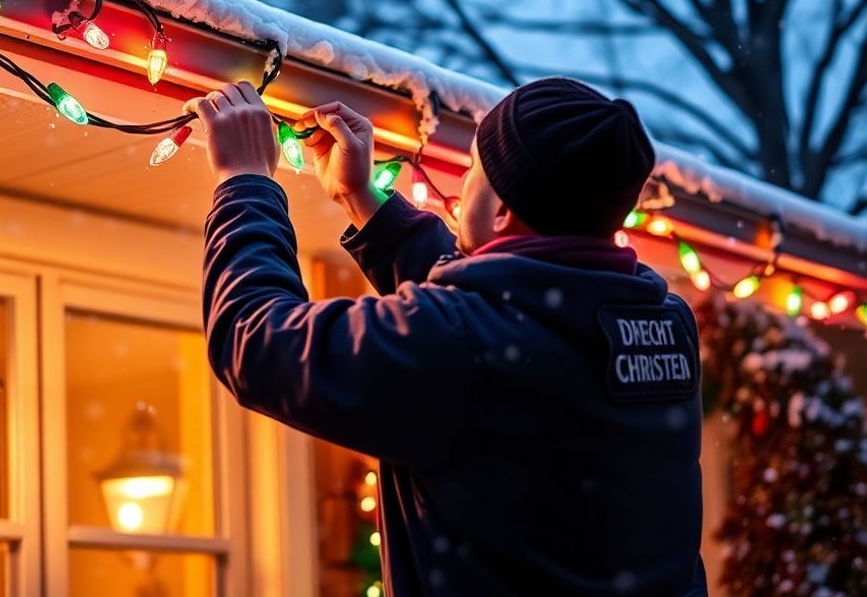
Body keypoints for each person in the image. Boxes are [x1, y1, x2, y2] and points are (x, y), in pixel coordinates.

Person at [184, 76, 706, 596]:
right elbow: (509, 312)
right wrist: (365, 200)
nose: (461, 186)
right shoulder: (662, 325)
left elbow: (254, 340)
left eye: (475, 169)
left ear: (501, 211)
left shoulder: (466, 344)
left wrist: (246, 181)